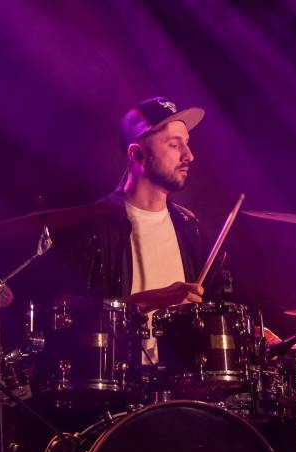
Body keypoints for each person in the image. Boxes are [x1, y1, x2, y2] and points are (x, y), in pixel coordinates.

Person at [46, 97, 209, 363]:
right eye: (174, 144)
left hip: (182, 379)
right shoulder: (94, 228)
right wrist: (150, 300)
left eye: (187, 143)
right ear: (137, 154)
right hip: (119, 379)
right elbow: (68, 317)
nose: (189, 156)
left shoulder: (190, 227)